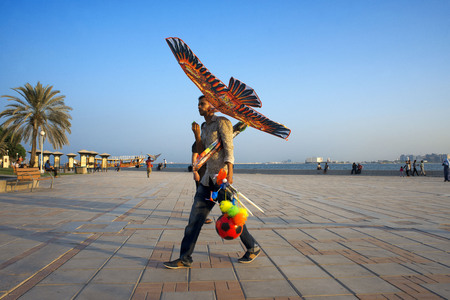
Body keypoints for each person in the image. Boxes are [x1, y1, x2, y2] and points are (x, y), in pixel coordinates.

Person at [164, 95, 260, 269]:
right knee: (194, 220)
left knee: (233, 217)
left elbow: (229, 148)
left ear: (212, 106)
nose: (199, 107)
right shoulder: (204, 126)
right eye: (198, 104)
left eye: (202, 104)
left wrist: (230, 174)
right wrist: (197, 135)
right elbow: (202, 152)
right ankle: (185, 258)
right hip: (207, 180)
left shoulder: (223, 122)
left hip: (222, 179)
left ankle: (252, 247)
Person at [191, 123, 213, 225]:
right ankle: (200, 216)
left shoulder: (209, 142)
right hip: (200, 171)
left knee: (207, 194)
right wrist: (195, 172)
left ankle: (201, 215)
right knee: (201, 194)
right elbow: (194, 157)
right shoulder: (198, 142)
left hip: (208, 171)